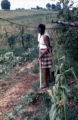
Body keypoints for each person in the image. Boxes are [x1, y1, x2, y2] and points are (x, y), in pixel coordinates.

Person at [37, 24, 53, 89]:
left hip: (46, 53)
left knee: (44, 68)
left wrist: (41, 54)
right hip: (43, 52)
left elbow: (48, 48)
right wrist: (39, 45)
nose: (38, 31)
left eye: (39, 30)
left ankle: (46, 83)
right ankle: (49, 80)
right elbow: (40, 41)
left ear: (43, 29)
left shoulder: (45, 36)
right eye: (38, 29)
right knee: (46, 67)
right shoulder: (40, 34)